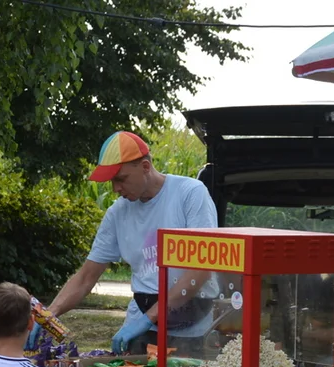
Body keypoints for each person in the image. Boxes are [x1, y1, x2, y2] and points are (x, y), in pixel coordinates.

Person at [43, 131, 219, 355]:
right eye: (112, 181)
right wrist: (48, 316)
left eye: (121, 178)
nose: (115, 189)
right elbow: (86, 277)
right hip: (142, 320)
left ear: (145, 167)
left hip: (192, 324)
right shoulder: (117, 213)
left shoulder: (190, 194)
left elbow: (200, 269)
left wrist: (148, 318)